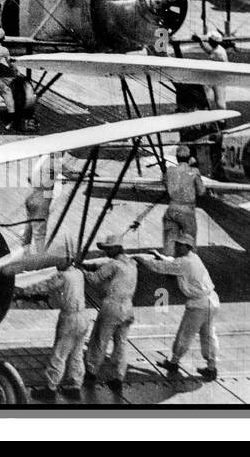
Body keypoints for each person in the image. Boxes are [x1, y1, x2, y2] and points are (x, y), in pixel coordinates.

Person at [137, 240, 220, 381]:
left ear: (187, 247)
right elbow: (174, 263)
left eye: (179, 245)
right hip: (211, 301)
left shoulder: (184, 263)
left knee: (185, 333)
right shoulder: (193, 257)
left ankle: (173, 362)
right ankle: (211, 368)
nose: (176, 247)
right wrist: (159, 255)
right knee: (208, 335)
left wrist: (141, 260)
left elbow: (162, 267)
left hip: (198, 304)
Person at [23, 264, 93, 401]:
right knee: (77, 353)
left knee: (59, 354)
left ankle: (50, 389)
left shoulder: (62, 276)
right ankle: (75, 387)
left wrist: (23, 291)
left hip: (70, 318)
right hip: (84, 316)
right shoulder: (78, 273)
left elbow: (45, 285)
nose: (56, 265)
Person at [82, 237, 138, 394]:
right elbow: (104, 267)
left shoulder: (113, 264)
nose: (105, 252)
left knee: (100, 340)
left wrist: (81, 270)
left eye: (108, 248)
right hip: (128, 307)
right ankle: (118, 378)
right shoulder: (132, 264)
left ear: (116, 248)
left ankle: (91, 373)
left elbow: (94, 279)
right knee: (121, 344)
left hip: (112, 307)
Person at [162, 146, 207, 256]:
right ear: (189, 157)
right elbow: (201, 191)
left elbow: (165, 182)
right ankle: (187, 266)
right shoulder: (194, 171)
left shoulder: (170, 171)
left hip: (172, 209)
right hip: (187, 211)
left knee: (169, 242)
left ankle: (168, 265)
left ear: (177, 158)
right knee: (189, 242)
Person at [198, 28, 229, 109]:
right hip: (218, 76)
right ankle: (220, 119)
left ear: (212, 41)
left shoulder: (217, 53)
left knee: (219, 101)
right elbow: (209, 50)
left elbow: (210, 52)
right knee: (216, 99)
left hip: (218, 78)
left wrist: (200, 41)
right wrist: (200, 42)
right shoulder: (219, 48)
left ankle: (221, 120)